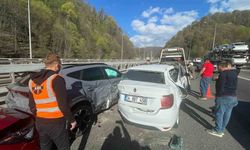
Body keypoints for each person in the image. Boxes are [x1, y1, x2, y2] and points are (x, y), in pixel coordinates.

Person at [29, 52, 77, 150]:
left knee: (45, 147)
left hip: (40, 122)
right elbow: (63, 105)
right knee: (63, 147)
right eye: (59, 66)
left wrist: (40, 118)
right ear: (56, 65)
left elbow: (32, 106)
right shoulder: (56, 79)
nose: (59, 68)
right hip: (56, 123)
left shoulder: (31, 81)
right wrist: (72, 120)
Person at [207, 61, 239, 137]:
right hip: (233, 96)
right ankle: (221, 129)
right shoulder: (234, 73)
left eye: (218, 67)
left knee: (219, 114)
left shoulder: (223, 74)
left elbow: (220, 87)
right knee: (227, 114)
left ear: (221, 66)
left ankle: (217, 130)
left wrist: (217, 95)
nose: (218, 68)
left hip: (224, 97)